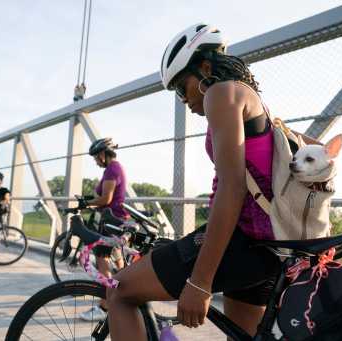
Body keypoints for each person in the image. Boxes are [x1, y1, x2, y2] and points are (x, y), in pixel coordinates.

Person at [106, 24, 286, 340]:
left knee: (119, 290)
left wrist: (200, 281)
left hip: (241, 242)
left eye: (180, 87)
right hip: (270, 247)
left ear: (204, 68)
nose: (181, 100)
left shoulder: (222, 92)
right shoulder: (254, 101)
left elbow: (233, 188)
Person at [78, 137, 130, 321]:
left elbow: (106, 199)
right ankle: (121, 299)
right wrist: (91, 201)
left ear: (102, 154)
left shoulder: (112, 169)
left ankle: (104, 307)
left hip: (112, 221)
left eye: (95, 157)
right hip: (115, 220)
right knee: (118, 264)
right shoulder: (114, 168)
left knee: (102, 261)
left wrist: (86, 203)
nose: (95, 161)